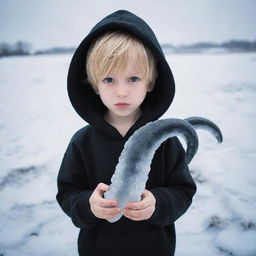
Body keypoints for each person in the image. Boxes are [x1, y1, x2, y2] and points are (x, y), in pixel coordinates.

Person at [56, 9, 197, 256]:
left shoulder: (166, 141)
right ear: (94, 84)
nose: (121, 92)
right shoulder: (82, 141)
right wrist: (89, 205)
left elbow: (183, 191)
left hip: (155, 248)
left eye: (133, 78)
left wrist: (158, 203)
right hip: (97, 248)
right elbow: (68, 193)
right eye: (109, 80)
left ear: (151, 82)